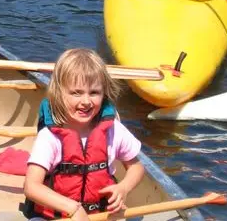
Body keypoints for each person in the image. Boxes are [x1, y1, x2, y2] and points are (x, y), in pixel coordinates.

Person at [22, 49, 145, 220]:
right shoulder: (50, 137)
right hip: (55, 217)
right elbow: (31, 186)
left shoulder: (113, 130)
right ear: (58, 94)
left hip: (100, 215)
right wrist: (73, 209)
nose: (86, 101)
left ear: (104, 94)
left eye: (94, 92)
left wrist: (123, 187)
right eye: (76, 93)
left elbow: (137, 167)